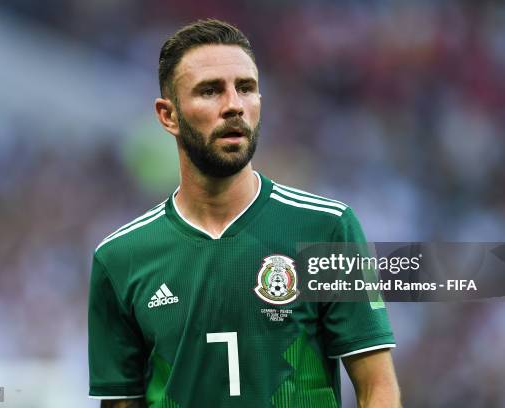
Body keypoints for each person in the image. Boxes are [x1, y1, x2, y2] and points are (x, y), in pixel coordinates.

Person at [88, 19, 400, 408]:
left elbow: (377, 387)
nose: (234, 105)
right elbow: (121, 402)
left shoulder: (328, 228)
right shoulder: (119, 258)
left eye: (246, 88)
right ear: (168, 116)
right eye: (210, 91)